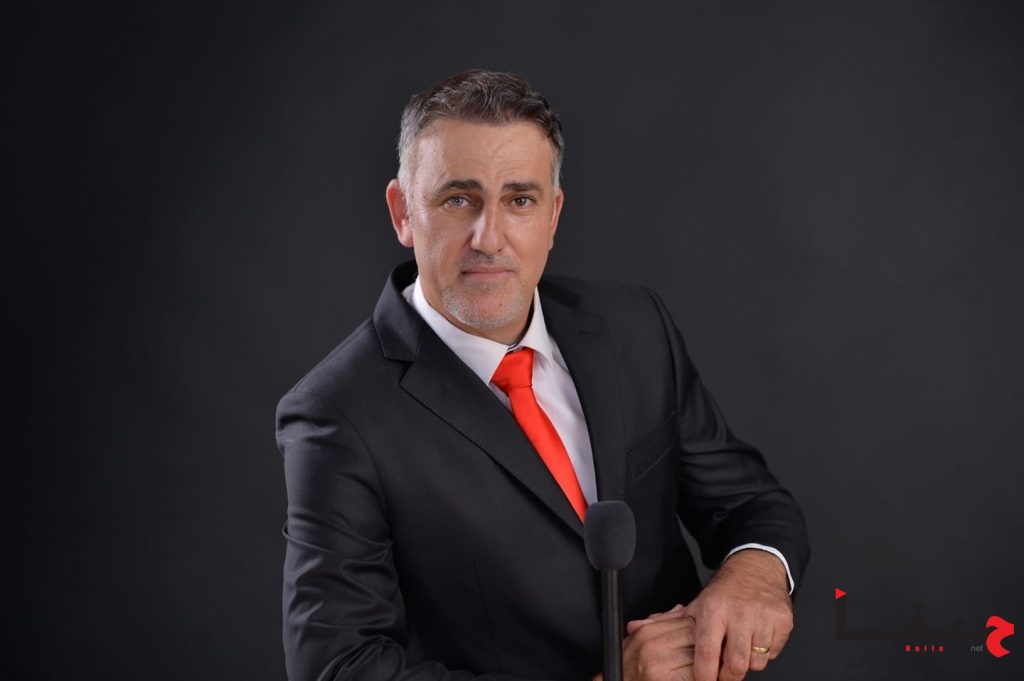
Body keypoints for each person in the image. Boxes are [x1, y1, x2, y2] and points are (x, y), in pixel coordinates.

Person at [277, 69, 810, 681]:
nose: (489, 238)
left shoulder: (634, 326)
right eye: (458, 199)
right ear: (403, 213)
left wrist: (754, 575)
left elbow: (748, 502)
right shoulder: (337, 414)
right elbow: (340, 667)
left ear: (553, 216)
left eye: (520, 201)